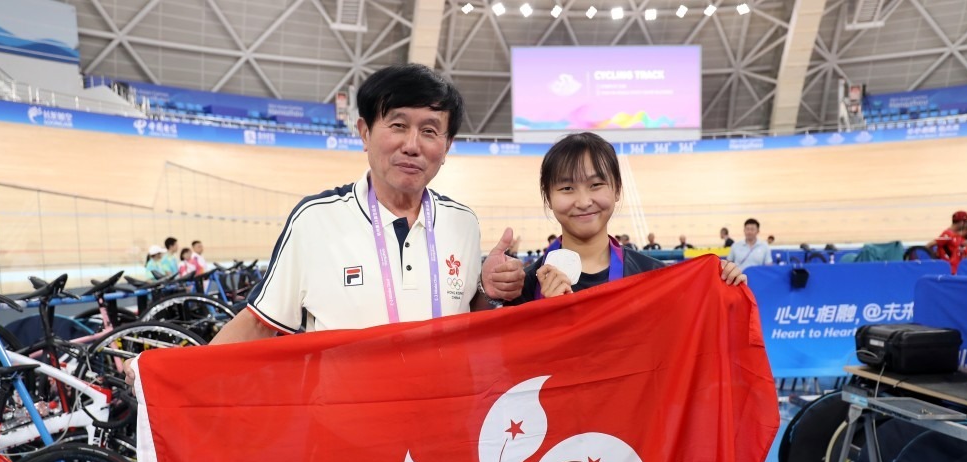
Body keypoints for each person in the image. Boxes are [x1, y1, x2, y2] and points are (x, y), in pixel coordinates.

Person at [205, 63, 524, 345]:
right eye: (398, 125)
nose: (412, 145)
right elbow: (259, 325)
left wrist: (488, 289)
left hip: (442, 409)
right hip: (348, 413)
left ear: (447, 146)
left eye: (429, 130)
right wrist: (171, 395)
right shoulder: (315, 220)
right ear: (364, 132)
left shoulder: (463, 222)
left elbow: (467, 319)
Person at [511, 132, 744, 308]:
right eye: (567, 187)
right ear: (548, 198)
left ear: (617, 190)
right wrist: (540, 314)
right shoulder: (524, 288)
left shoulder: (653, 278)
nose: (583, 201)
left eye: (596, 185)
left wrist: (723, 288)